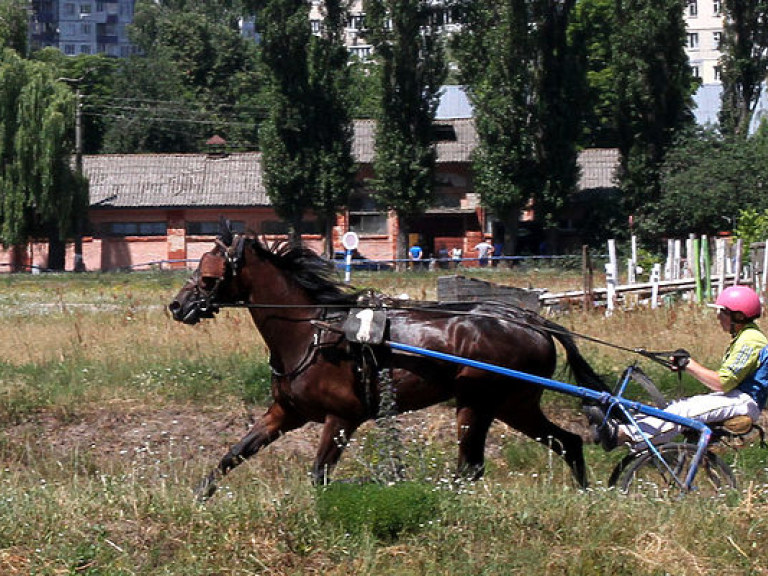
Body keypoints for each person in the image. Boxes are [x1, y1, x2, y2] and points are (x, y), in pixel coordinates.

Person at [589, 285, 768, 451]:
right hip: (736, 397)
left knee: (683, 413)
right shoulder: (744, 336)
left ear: (739, 316)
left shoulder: (750, 339)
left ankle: (624, 435)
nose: (718, 316)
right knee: (677, 407)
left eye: (723, 312)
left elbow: (722, 383)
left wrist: (689, 364)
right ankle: (627, 431)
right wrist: (686, 365)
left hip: (745, 401)